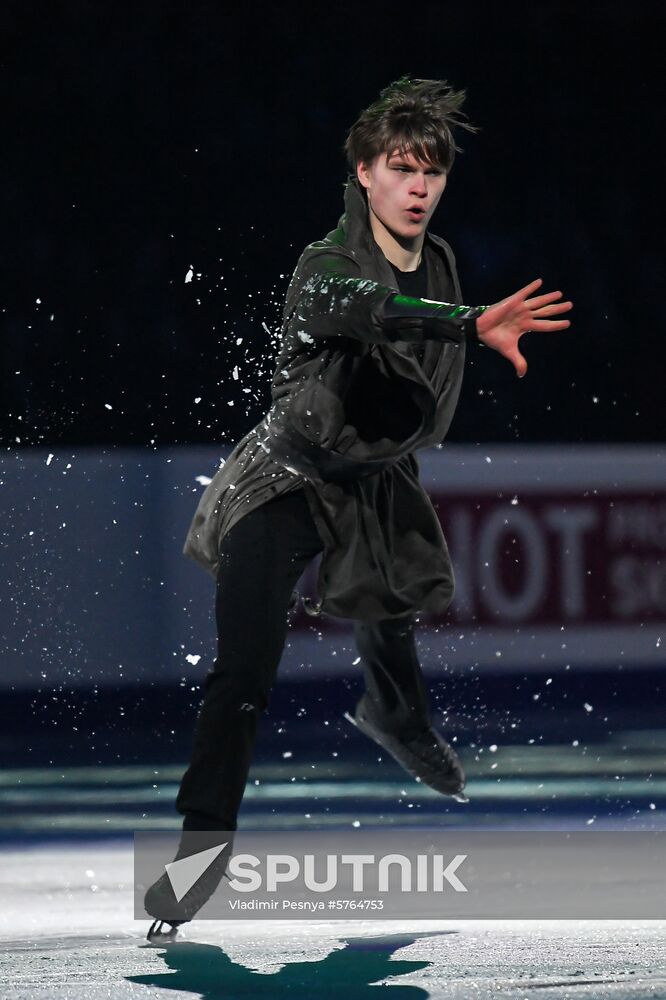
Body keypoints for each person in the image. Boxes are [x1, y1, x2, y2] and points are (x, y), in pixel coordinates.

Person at [144, 75, 572, 939]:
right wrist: (468, 322)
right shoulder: (326, 263)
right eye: (403, 170)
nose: (421, 187)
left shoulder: (444, 260)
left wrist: (459, 326)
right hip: (287, 479)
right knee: (245, 672)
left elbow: (422, 372)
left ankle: (394, 716)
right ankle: (202, 843)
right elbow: (374, 312)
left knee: (394, 603)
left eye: (434, 173)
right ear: (365, 174)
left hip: (373, 484)